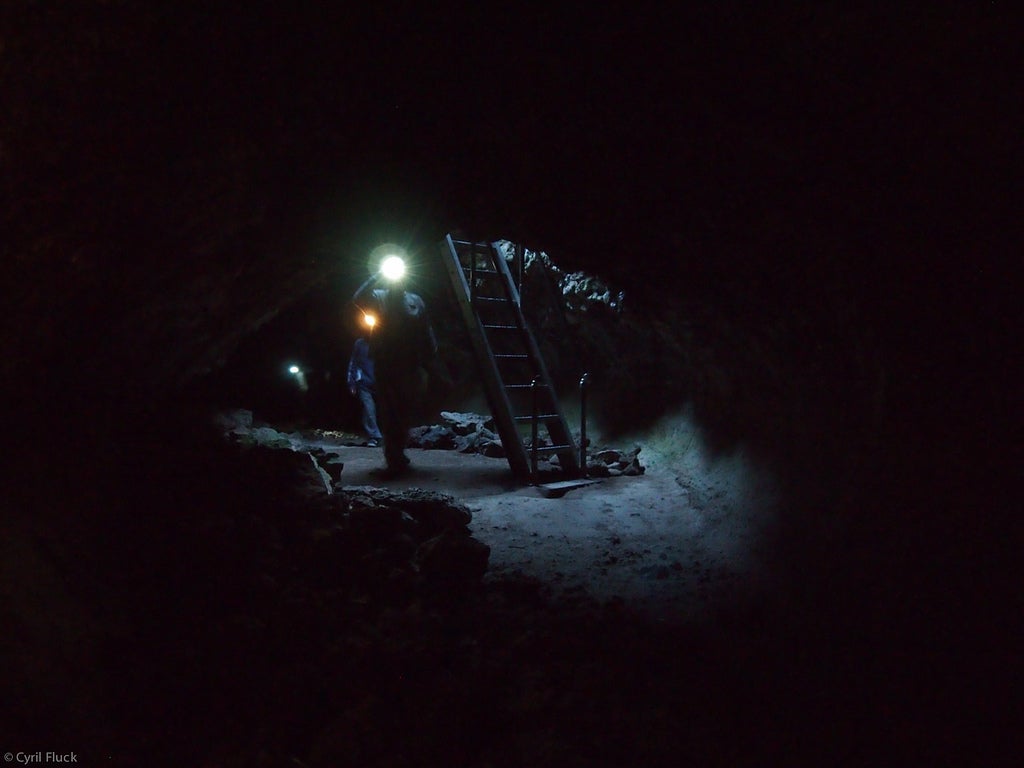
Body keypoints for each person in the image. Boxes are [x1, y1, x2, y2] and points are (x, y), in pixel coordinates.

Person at [352, 261, 439, 475]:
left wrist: (430, 353)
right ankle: (394, 456)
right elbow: (357, 299)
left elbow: (425, 327)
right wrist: (378, 275)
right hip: (386, 362)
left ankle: (398, 450)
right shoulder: (378, 296)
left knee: (405, 409)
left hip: (409, 362)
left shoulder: (414, 300)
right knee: (390, 410)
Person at [346, 337, 383, 447]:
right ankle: (374, 436)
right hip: (364, 382)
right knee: (368, 408)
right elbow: (354, 362)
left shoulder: (384, 341)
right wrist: (351, 382)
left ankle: (392, 436)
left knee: (385, 409)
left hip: (382, 382)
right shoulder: (360, 343)